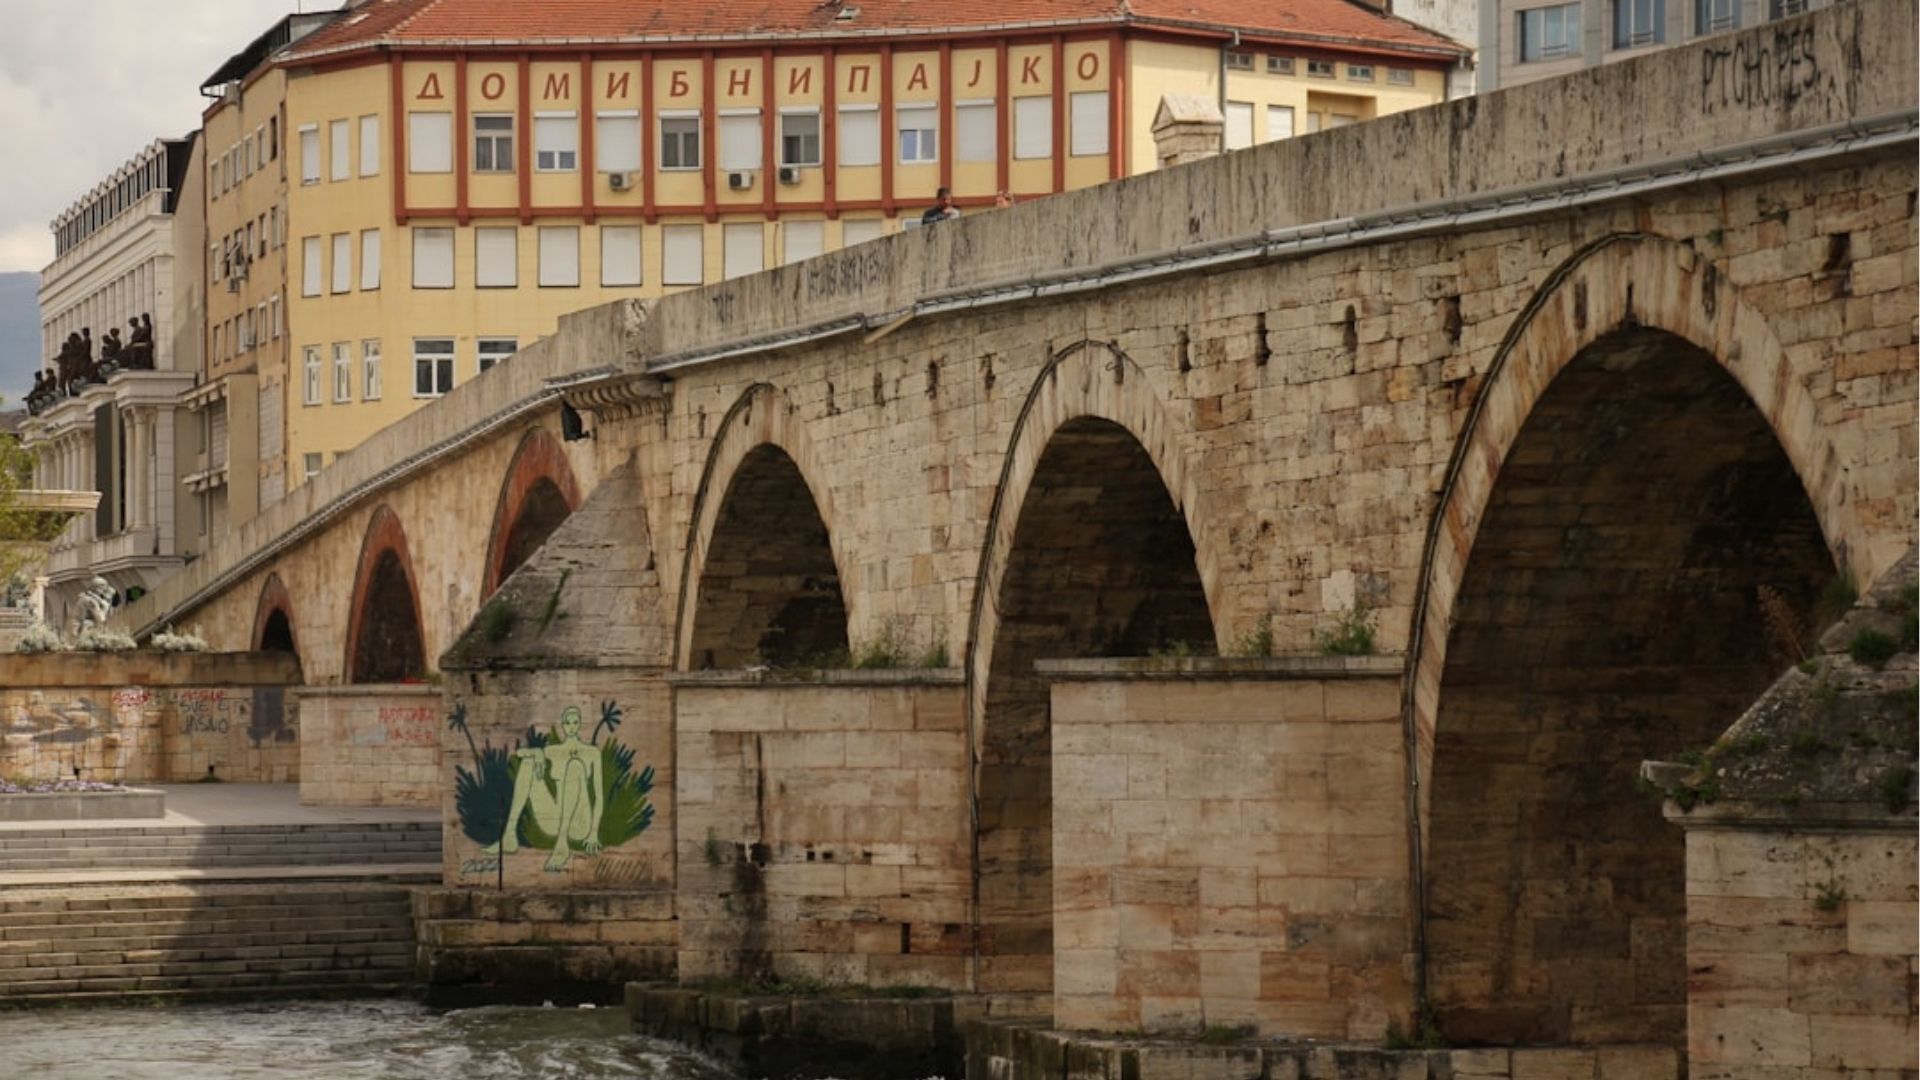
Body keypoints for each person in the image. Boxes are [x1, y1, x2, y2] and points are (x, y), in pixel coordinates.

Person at [483, 705, 605, 871]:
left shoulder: (591, 752)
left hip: (580, 824)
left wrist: (594, 833)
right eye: (568, 722)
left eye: (575, 722)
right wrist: (537, 753)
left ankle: (562, 845)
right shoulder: (554, 751)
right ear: (563, 724)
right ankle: (509, 836)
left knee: (575, 765)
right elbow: (519, 753)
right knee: (528, 763)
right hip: (554, 820)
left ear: (580, 724)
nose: (571, 726)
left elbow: (599, 796)